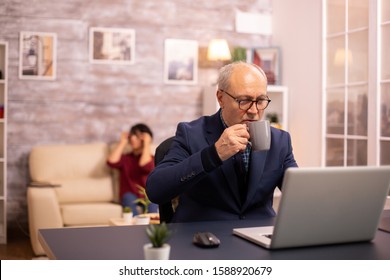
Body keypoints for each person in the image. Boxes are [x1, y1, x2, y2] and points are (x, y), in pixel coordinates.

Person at [146, 61, 298, 222]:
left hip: (259, 236)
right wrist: (213, 154)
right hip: (203, 237)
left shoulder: (280, 140)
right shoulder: (191, 133)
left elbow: (298, 194)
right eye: (244, 101)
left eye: (260, 101)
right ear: (221, 98)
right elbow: (156, 190)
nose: (254, 111)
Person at [107, 123, 158, 215]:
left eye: (137, 136)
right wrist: (122, 142)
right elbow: (111, 162)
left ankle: (154, 228)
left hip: (148, 195)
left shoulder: (152, 159)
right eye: (132, 135)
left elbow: (144, 165)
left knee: (153, 202)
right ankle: (135, 228)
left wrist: (147, 143)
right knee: (128, 198)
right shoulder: (126, 158)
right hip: (129, 195)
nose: (132, 138)